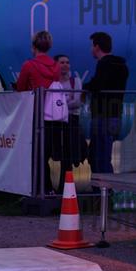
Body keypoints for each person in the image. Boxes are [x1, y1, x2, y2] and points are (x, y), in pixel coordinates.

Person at [16, 31, 61, 195]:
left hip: (34, 113)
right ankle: (47, 188)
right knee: (45, 152)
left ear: (33, 47)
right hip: (52, 115)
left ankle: (37, 188)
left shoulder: (29, 65)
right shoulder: (56, 67)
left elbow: (20, 88)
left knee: (34, 152)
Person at [83, 32, 129, 175]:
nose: (91, 49)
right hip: (115, 114)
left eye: (92, 46)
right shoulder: (122, 65)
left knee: (99, 156)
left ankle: (103, 186)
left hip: (102, 115)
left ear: (97, 47)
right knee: (104, 154)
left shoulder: (104, 64)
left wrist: (84, 87)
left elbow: (98, 85)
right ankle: (105, 185)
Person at [53, 55, 86, 193]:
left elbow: (77, 102)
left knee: (68, 155)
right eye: (62, 62)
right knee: (57, 153)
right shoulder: (53, 82)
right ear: (56, 65)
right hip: (56, 122)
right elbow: (51, 101)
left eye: (67, 62)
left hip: (71, 121)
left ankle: (66, 187)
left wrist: (60, 104)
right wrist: (68, 100)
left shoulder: (75, 81)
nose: (65, 65)